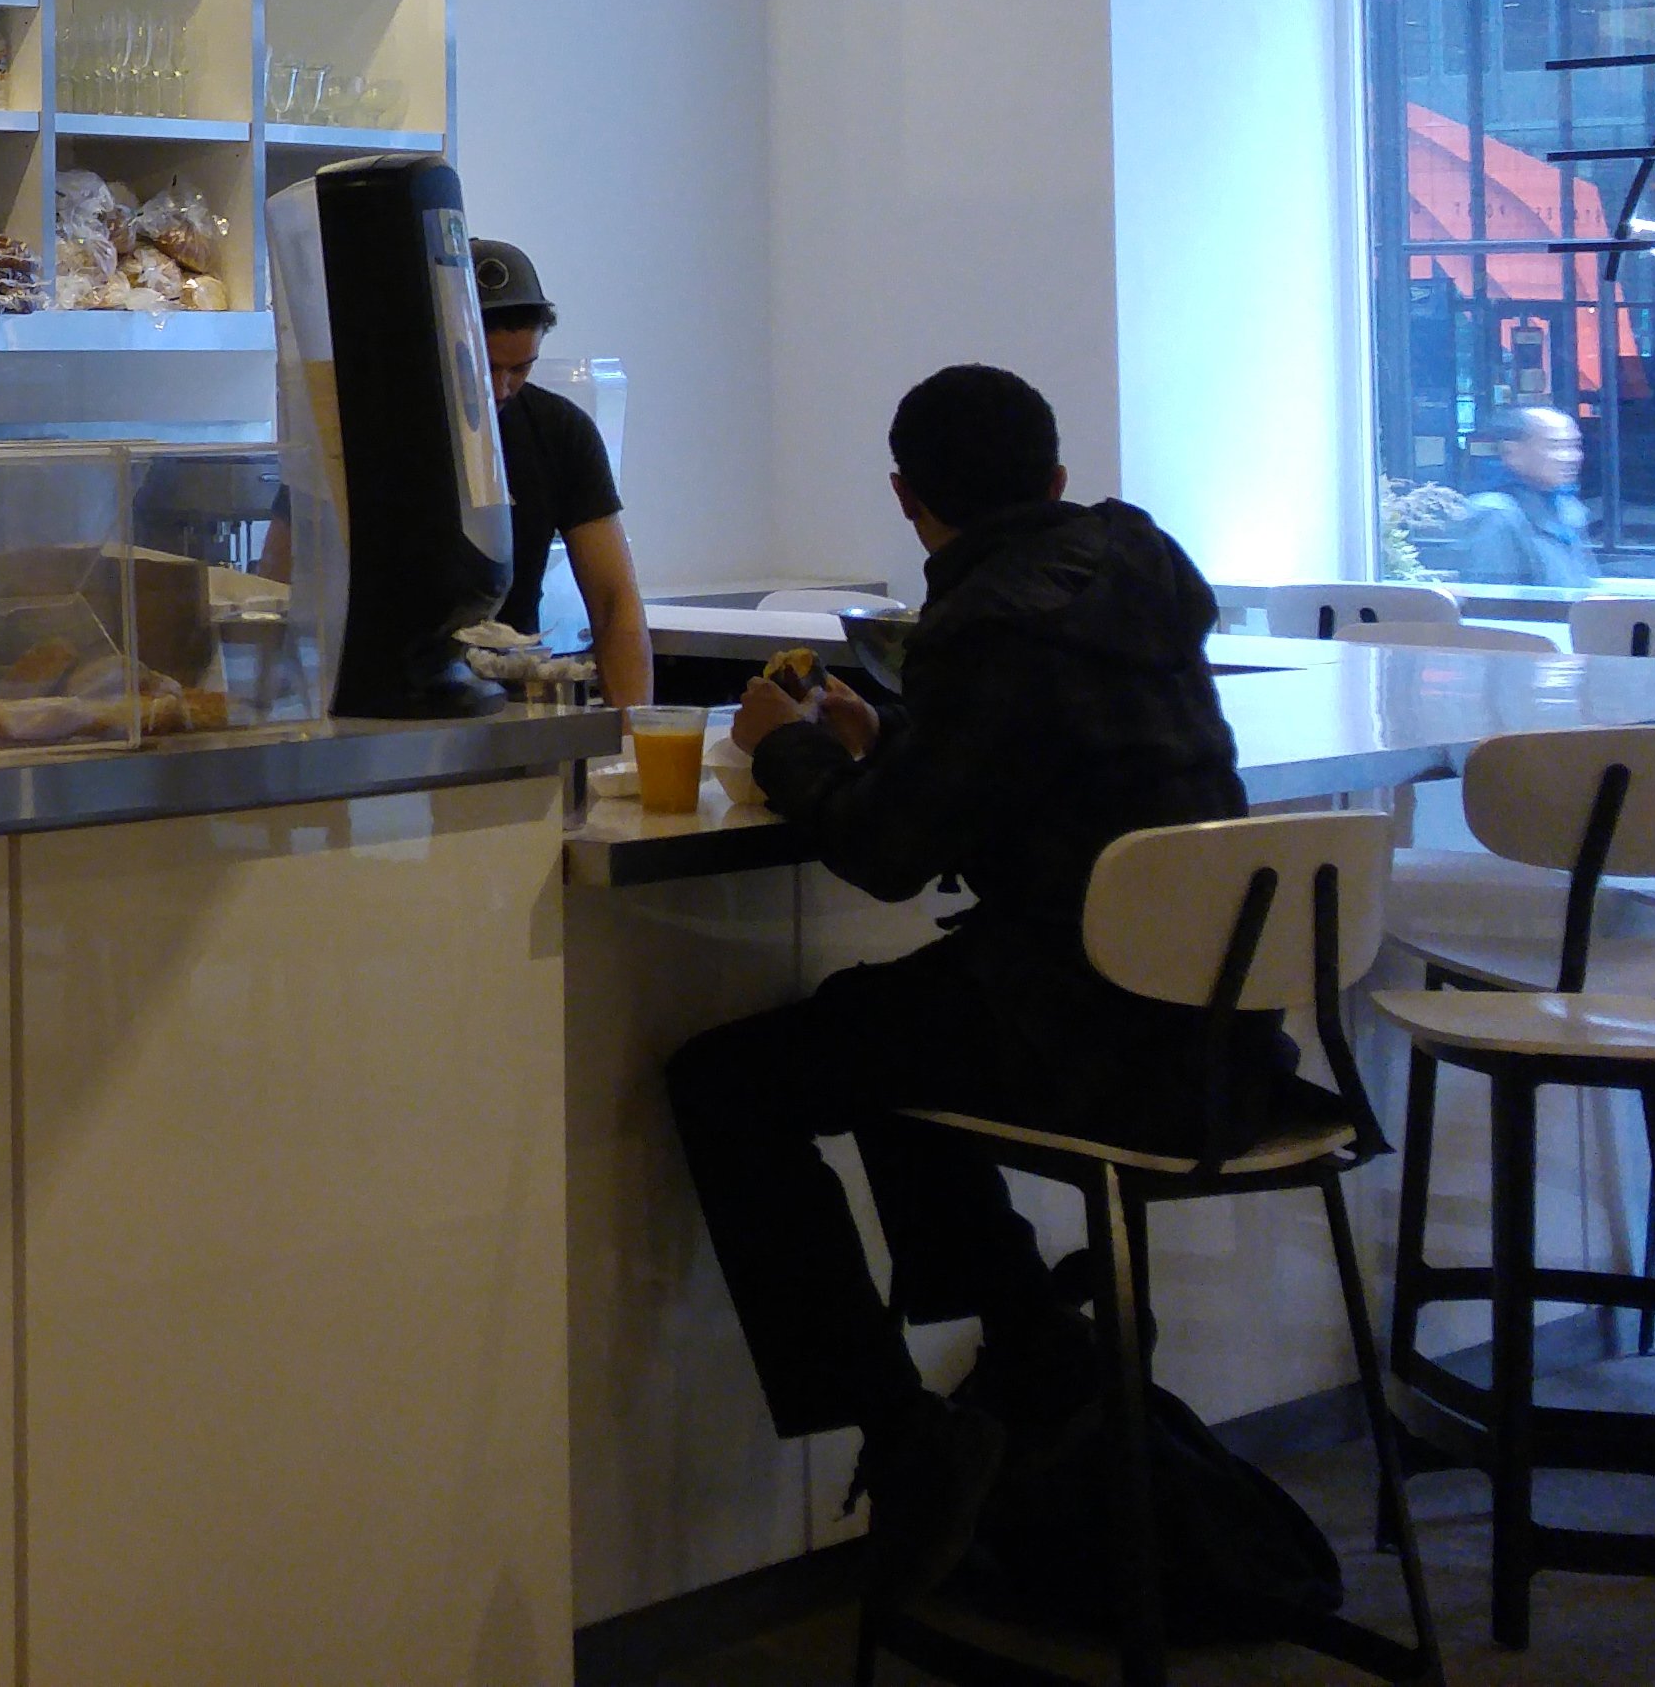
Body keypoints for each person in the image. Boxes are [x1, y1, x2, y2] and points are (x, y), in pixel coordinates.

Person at [661, 365, 1287, 1600]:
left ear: (905, 497)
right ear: (1055, 477)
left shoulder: (978, 624)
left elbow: (887, 856)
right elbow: (1035, 768)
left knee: (729, 1083)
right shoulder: (1139, 563)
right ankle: (1032, 1343)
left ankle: (905, 1433)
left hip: (1094, 1044)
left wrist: (780, 750)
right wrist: (893, 741)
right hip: (1224, 1043)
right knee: (881, 1031)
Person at [474, 238, 649, 713]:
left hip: (515, 703)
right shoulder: (381, 429)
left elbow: (613, 602)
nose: (501, 388)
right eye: (484, 368)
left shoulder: (560, 431)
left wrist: (631, 739)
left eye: (520, 368)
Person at [1445, 404, 1599, 593]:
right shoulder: (1494, 514)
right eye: (1555, 446)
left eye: (1573, 446)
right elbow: (1491, 601)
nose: (1570, 457)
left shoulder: (1569, 510)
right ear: (1512, 452)